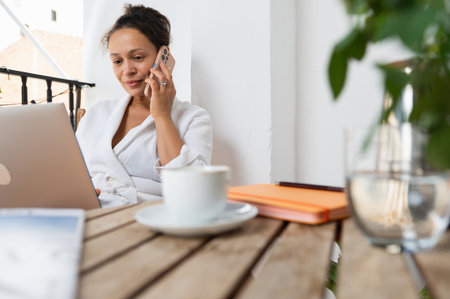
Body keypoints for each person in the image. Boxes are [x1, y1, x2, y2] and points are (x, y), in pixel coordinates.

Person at [76, 4, 212, 208]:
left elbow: (194, 190)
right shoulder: (96, 113)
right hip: (94, 215)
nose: (127, 70)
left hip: (153, 219)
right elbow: (73, 176)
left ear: (163, 57)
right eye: (117, 61)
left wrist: (162, 116)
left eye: (137, 57)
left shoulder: (193, 118)